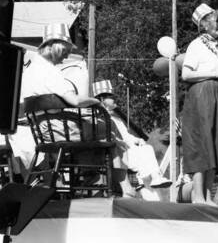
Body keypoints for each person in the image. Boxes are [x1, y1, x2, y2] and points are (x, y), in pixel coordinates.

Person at [19, 23, 136, 197]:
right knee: (109, 127)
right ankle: (124, 188)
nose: (66, 55)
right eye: (65, 50)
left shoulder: (29, 71)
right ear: (54, 47)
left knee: (99, 131)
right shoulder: (50, 71)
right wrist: (95, 101)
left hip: (43, 131)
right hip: (60, 130)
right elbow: (75, 100)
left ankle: (93, 179)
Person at [181, 3, 218, 205]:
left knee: (214, 143)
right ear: (204, 24)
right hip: (202, 97)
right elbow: (186, 74)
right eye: (217, 20)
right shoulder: (196, 45)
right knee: (201, 143)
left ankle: (207, 195)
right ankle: (197, 195)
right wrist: (216, 74)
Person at [93, 80, 172, 201]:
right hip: (116, 152)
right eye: (110, 96)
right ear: (102, 99)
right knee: (146, 153)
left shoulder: (115, 117)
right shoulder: (99, 117)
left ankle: (152, 189)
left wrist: (137, 139)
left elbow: (126, 135)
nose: (114, 99)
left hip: (126, 149)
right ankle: (152, 183)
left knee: (145, 153)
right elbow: (106, 137)